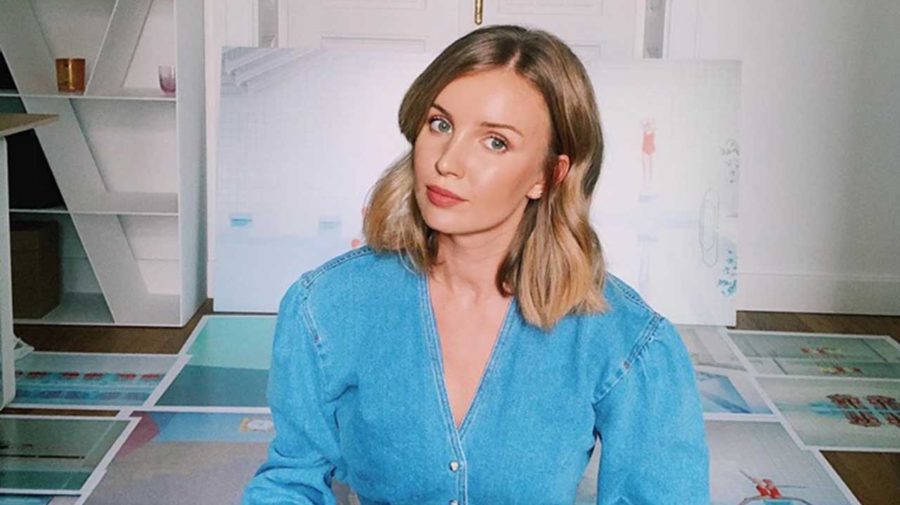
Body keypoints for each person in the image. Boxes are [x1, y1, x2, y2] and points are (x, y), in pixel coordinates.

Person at [243, 24, 708, 504]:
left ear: (548, 176)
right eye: (440, 124)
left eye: (495, 142)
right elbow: (291, 482)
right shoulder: (325, 307)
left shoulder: (627, 339)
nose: (447, 161)